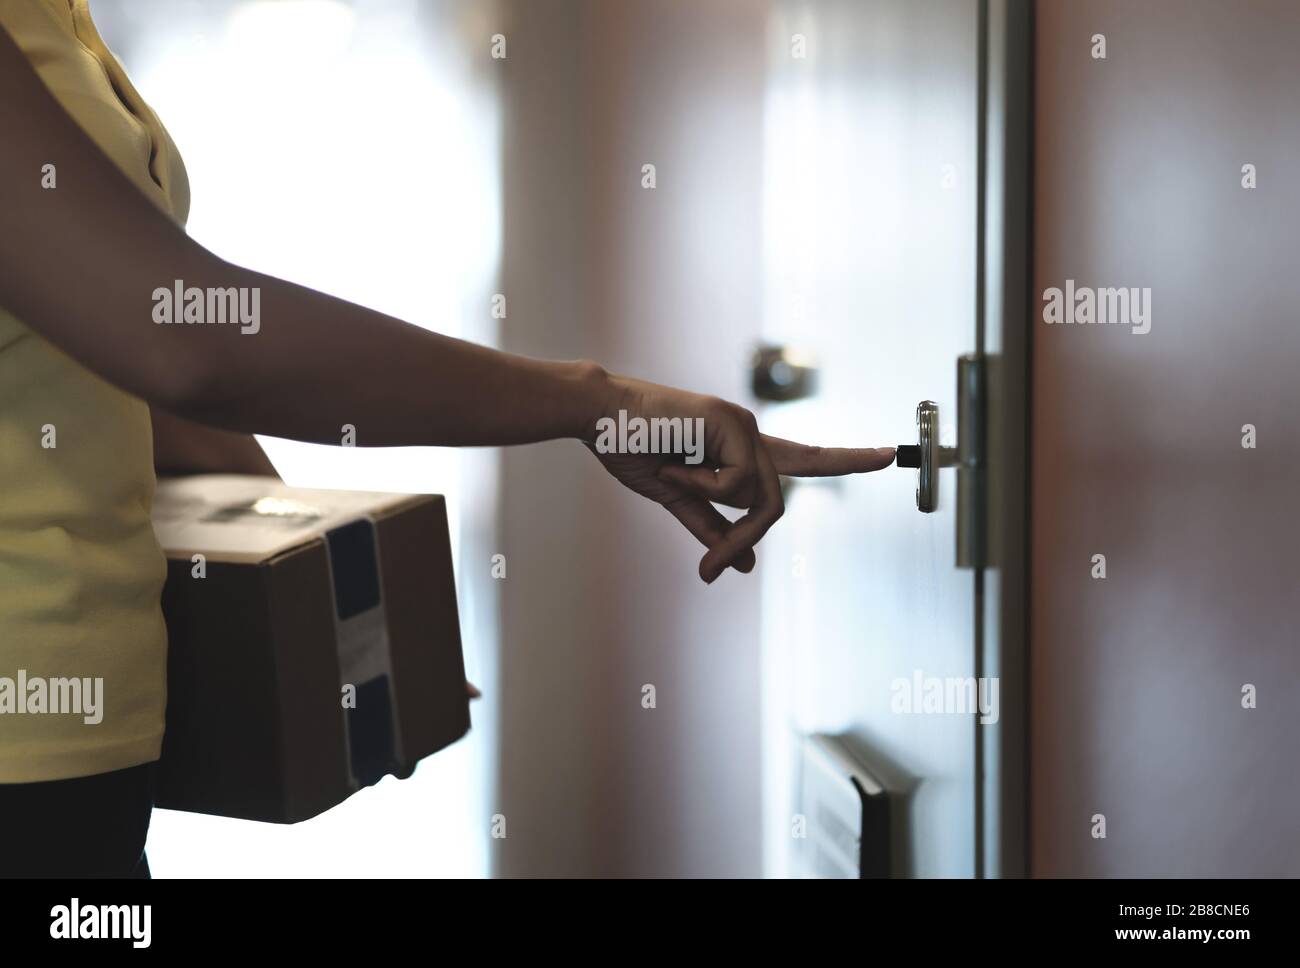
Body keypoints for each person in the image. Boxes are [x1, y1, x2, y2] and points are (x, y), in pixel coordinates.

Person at [0, 0, 895, 878]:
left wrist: (332, 604)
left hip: (92, 748)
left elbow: (114, 368)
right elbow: (181, 338)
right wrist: (593, 401)